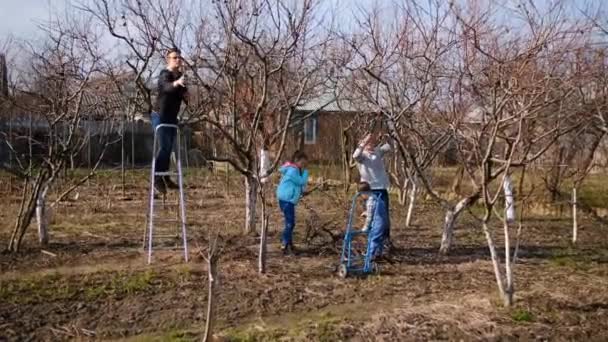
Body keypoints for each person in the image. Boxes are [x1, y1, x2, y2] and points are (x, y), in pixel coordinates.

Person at [151, 47, 188, 194]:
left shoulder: (180, 76)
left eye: (179, 57)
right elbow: (166, 88)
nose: (178, 60)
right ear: (168, 59)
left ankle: (165, 177)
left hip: (172, 117)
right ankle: (156, 178)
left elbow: (182, 94)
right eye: (175, 58)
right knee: (165, 146)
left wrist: (185, 92)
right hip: (160, 116)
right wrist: (176, 83)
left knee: (170, 147)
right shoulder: (164, 74)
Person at [353, 132, 393, 250]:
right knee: (376, 218)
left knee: (384, 219)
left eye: (371, 142)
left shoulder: (377, 151)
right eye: (367, 142)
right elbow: (355, 155)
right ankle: (373, 245)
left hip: (382, 189)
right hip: (371, 190)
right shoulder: (362, 156)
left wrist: (388, 137)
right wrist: (365, 140)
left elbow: (391, 146)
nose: (370, 144)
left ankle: (384, 242)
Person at [276, 151, 309, 255]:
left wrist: (301, 192)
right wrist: (306, 173)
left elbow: (297, 185)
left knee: (289, 222)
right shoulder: (292, 171)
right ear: (296, 161)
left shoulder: (294, 170)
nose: (303, 166)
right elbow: (301, 182)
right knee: (290, 223)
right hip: (287, 200)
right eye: (302, 163)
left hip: (287, 199)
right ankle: (284, 243)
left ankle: (288, 243)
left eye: (305, 164)